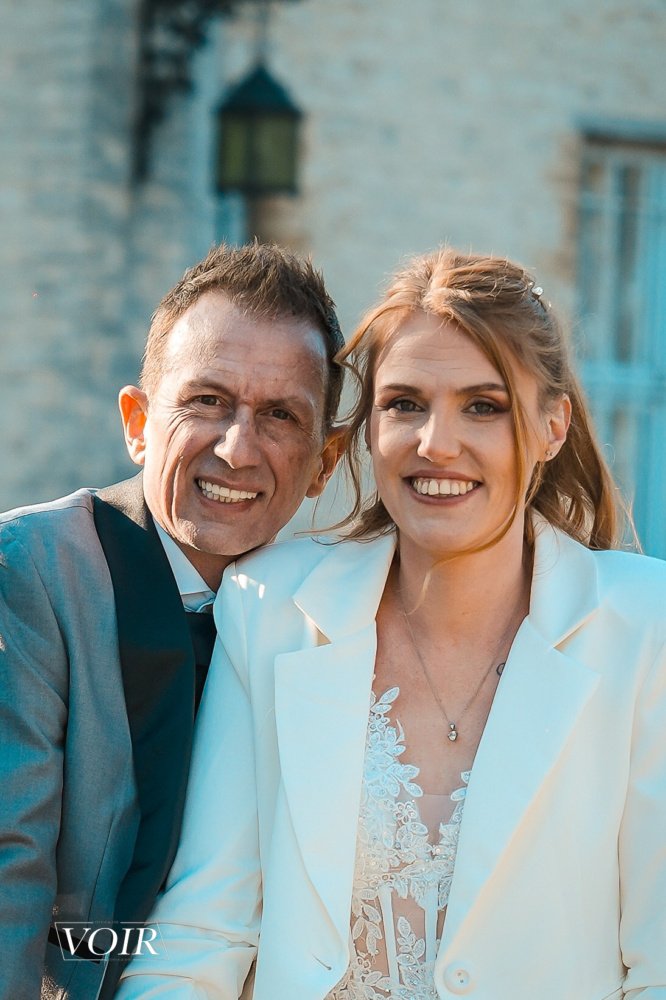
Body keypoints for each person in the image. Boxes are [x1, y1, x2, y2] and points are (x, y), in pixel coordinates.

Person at [118, 249, 666, 1000]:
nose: (436, 443)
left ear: (552, 426)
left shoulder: (646, 630)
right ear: (367, 430)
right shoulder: (270, 609)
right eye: (404, 404)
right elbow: (201, 934)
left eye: (484, 406)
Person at [0, 241, 345, 1000]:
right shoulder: (30, 570)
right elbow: (8, 861)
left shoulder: (334, 619)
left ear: (325, 461)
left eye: (280, 415)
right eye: (208, 401)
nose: (237, 448)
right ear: (138, 422)